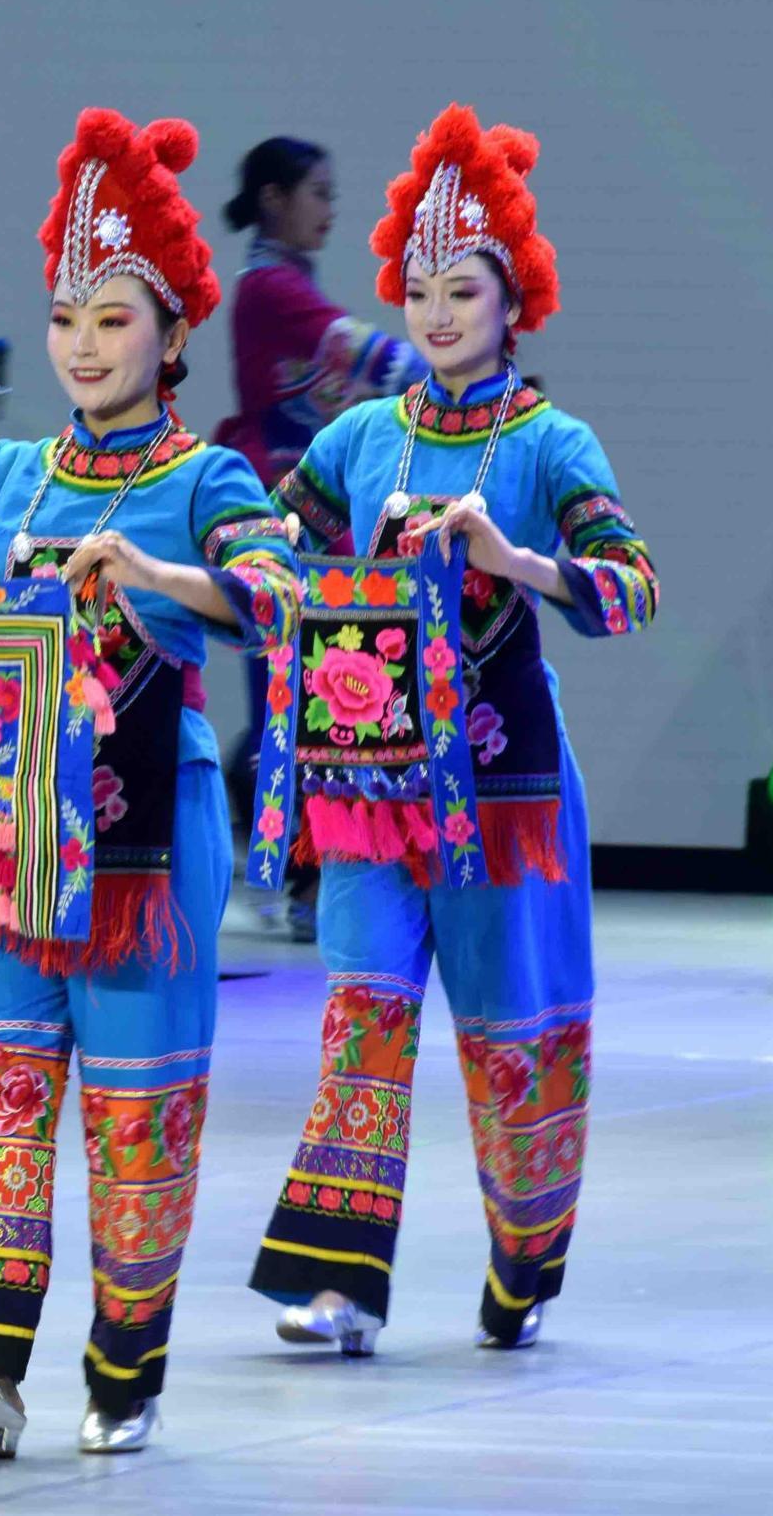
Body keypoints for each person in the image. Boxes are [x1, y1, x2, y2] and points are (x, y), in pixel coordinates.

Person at [0, 110, 300, 1457]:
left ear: (173, 333)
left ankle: (124, 1376)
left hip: (148, 844)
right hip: (2, 836)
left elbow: (277, 597)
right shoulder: (9, 474)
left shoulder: (208, 476)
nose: (84, 344)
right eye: (67, 318)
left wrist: (154, 577)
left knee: (138, 1112)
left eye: (114, 318)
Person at [249, 104, 659, 1357]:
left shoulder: (549, 441)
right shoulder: (359, 437)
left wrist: (513, 559)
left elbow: (629, 588)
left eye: (461, 290)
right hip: (368, 793)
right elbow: (263, 554)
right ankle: (340, 1287)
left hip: (502, 797)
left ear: (511, 299)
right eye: (419, 290)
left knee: (507, 1033)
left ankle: (522, 1261)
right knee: (359, 1024)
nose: (434, 313)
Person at [215, 136, 429, 939]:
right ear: (274, 198)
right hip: (286, 518)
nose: (331, 209)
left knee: (319, 691)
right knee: (302, 696)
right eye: (319, 193)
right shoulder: (270, 288)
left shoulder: (285, 285)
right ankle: (298, 876)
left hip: (314, 518)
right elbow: (367, 355)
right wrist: (461, 371)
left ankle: (298, 865)